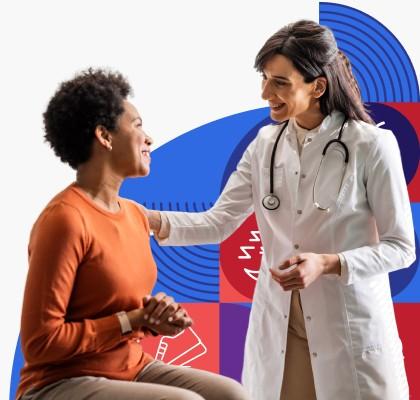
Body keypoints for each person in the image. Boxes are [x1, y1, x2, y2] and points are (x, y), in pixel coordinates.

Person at [147, 20, 416, 400]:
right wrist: (146, 220)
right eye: (264, 79)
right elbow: (219, 222)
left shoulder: (371, 145)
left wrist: (328, 263)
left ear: (317, 86)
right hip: (281, 329)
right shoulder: (265, 144)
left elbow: (401, 248)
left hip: (347, 329)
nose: (264, 93)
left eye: (279, 82)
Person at [16, 69, 250, 400]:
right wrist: (131, 320)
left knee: (231, 394)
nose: (149, 138)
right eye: (137, 126)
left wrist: (154, 318)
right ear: (105, 136)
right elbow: (40, 344)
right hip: (61, 380)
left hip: (131, 366)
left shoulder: (135, 215)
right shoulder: (65, 220)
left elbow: (113, 305)